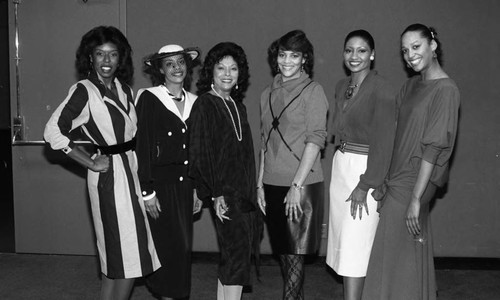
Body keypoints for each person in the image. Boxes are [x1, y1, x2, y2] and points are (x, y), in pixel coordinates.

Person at [43, 26, 160, 300]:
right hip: (110, 179)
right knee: (126, 256)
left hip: (130, 170)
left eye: (113, 54)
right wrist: (89, 162)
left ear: (121, 59)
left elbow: (135, 137)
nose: (106, 61)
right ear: (90, 58)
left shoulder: (125, 90)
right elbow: (52, 131)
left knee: (118, 259)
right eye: (99, 54)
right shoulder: (85, 90)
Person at [362, 24, 460, 300]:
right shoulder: (411, 85)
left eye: (416, 47)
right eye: (405, 50)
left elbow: (433, 148)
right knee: (399, 258)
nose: (410, 55)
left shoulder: (446, 89)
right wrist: (384, 179)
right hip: (398, 179)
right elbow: (396, 136)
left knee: (394, 258)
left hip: (415, 182)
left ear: (433, 46)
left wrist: (416, 198)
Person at [325, 30, 396, 300]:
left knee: (356, 248)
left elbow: (384, 143)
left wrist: (366, 183)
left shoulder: (383, 89)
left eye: (362, 50)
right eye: (349, 50)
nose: (355, 56)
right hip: (341, 167)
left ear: (373, 55)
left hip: (364, 172)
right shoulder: (341, 86)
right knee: (345, 246)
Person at [257, 29, 328, 300]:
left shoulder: (313, 91)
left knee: (295, 256)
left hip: (301, 184)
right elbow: (264, 141)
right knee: (285, 256)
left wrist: (296, 185)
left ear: (304, 60)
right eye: (282, 54)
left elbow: (315, 139)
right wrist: (259, 184)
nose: (287, 61)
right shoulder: (267, 94)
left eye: (294, 55)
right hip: (272, 184)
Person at [188, 42, 260, 300]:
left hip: (244, 194)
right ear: (211, 71)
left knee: (235, 256)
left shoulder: (236, 105)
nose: (227, 73)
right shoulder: (205, 104)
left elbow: (245, 153)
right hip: (226, 196)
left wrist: (256, 189)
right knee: (236, 258)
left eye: (233, 68)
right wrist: (216, 193)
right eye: (221, 68)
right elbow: (200, 152)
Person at [135, 44, 202, 300]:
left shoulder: (195, 102)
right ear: (160, 70)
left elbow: (196, 150)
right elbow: (142, 146)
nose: (177, 68)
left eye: (181, 62)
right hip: (160, 189)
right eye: (170, 64)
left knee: (183, 251)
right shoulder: (149, 98)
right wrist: (146, 191)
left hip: (185, 188)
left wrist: (197, 188)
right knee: (166, 251)